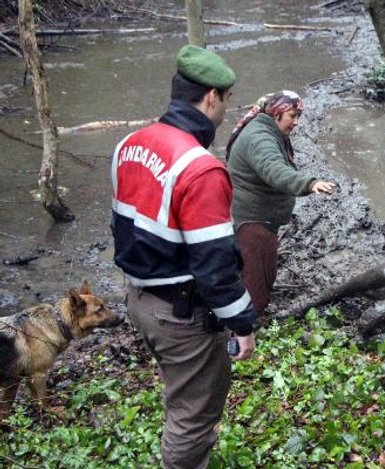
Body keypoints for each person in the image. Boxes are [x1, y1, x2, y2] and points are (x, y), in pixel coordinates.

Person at [111, 45, 256, 469]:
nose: (227, 109)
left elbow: (123, 226)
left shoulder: (128, 145)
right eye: (227, 99)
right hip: (181, 314)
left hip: (140, 299)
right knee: (193, 417)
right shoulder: (202, 168)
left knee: (180, 395)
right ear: (211, 97)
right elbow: (215, 267)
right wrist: (241, 323)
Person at [225, 90, 336, 314]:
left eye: (298, 116)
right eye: (292, 116)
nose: (296, 123)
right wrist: (308, 184)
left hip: (255, 217)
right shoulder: (261, 139)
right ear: (276, 114)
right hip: (253, 219)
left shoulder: (265, 128)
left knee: (254, 271)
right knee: (257, 280)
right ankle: (248, 327)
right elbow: (275, 170)